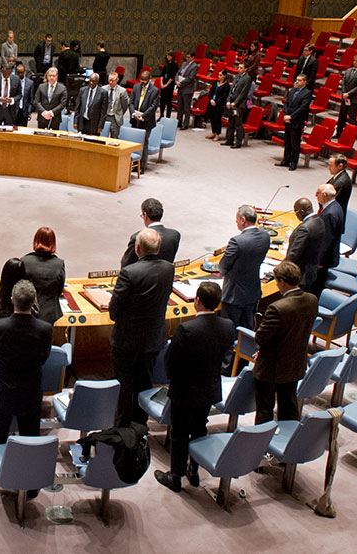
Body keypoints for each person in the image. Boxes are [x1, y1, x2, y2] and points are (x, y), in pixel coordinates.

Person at [153, 281, 232, 492]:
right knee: (199, 429)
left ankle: (175, 476)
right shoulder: (228, 326)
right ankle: (193, 469)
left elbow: (170, 361)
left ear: (197, 301)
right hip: (209, 388)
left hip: (184, 390)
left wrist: (174, 381)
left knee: (179, 433)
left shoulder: (187, 329)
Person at [0, 280, 52, 499]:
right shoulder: (45, 329)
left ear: (13, 300)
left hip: (3, 390)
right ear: (34, 302)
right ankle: (31, 487)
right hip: (30, 391)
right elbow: (44, 358)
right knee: (31, 438)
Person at [109, 227, 175, 426]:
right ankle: (139, 425)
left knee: (124, 383)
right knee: (145, 381)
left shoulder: (129, 273)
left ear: (137, 248)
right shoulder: (168, 269)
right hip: (153, 337)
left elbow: (114, 310)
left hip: (127, 339)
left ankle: (122, 426)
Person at [253, 261, 316, 424]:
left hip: (272, 368)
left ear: (282, 282)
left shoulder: (277, 308)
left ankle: (261, 447)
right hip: (295, 363)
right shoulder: (311, 299)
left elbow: (261, 337)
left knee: (264, 411)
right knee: (289, 407)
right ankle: (289, 445)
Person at [216, 205, 271, 332]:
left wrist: (222, 273)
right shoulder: (265, 237)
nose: (236, 222)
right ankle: (244, 352)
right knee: (247, 329)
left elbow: (224, 265)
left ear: (243, 220)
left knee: (229, 330)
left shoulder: (237, 241)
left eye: (237, 219)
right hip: (253, 291)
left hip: (234, 295)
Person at [20, 227, 65, 325]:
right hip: (49, 315)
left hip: (26, 312)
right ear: (53, 242)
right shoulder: (59, 264)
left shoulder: (25, 261)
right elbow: (59, 290)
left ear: (35, 240)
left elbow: (18, 288)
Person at [121, 197, 180, 266]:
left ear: (145, 215)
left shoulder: (137, 237)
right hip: (165, 274)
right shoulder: (175, 235)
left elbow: (126, 264)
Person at [284, 197, 325, 292]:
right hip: (311, 269)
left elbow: (294, 254)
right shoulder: (319, 221)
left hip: (301, 275)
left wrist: (279, 270)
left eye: (296, 212)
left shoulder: (305, 229)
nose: (296, 215)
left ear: (302, 212)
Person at [312, 184, 344, 297]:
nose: (315, 196)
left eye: (317, 193)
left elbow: (326, 241)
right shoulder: (336, 206)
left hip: (323, 262)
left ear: (324, 195)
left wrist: (318, 262)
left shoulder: (329, 214)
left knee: (314, 288)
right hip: (327, 257)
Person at [278, 74, 313, 170]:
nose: (297, 82)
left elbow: (303, 108)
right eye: (297, 80)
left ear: (305, 82)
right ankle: (286, 160)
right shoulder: (292, 91)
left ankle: (293, 162)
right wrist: (285, 114)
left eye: (300, 80)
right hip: (288, 119)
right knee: (287, 141)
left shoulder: (307, 93)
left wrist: (291, 116)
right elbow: (286, 103)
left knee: (295, 143)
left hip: (297, 120)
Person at [130, 70, 159, 169]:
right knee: (134, 142)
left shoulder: (154, 90)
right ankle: (134, 164)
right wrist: (134, 113)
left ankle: (142, 166)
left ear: (149, 79)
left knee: (144, 142)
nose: (142, 81)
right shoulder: (136, 87)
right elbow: (131, 102)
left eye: (144, 80)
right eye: (141, 79)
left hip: (146, 120)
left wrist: (143, 116)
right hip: (135, 119)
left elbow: (154, 106)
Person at [336, 55, 357, 138]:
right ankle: (338, 133)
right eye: (354, 60)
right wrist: (344, 93)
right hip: (345, 97)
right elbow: (343, 82)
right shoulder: (348, 70)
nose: (354, 62)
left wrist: (348, 94)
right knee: (342, 116)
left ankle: (350, 136)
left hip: (353, 98)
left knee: (352, 118)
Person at [225, 62, 253, 148]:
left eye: (241, 68)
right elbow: (232, 90)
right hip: (232, 102)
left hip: (239, 105)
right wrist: (229, 100)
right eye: (238, 67)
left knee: (238, 124)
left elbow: (243, 93)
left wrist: (235, 103)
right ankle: (229, 140)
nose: (239, 69)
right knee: (231, 122)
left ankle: (238, 142)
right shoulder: (236, 77)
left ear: (245, 69)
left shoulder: (247, 79)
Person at [205, 67, 230, 141]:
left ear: (224, 76)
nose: (219, 76)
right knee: (212, 118)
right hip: (212, 102)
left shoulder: (226, 85)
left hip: (219, 104)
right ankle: (213, 132)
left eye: (221, 75)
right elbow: (211, 92)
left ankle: (217, 134)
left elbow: (224, 96)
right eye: (218, 75)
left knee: (217, 119)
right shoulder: (215, 82)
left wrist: (216, 102)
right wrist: (211, 99)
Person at [174, 54, 199, 129]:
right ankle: (179, 122)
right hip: (180, 87)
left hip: (187, 88)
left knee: (186, 108)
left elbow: (191, 78)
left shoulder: (195, 66)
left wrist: (181, 83)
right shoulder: (184, 64)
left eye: (189, 57)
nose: (187, 59)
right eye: (186, 57)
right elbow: (178, 73)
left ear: (193, 57)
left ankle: (185, 124)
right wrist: (177, 81)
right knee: (179, 106)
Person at [103, 71, 130, 138]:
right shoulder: (103, 89)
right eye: (109, 80)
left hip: (115, 117)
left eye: (112, 80)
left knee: (114, 137)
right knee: (103, 136)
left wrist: (119, 113)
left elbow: (125, 106)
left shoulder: (122, 91)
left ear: (117, 80)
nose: (110, 82)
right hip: (105, 115)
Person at [158, 51, 179, 120]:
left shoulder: (174, 65)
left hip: (169, 84)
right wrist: (161, 83)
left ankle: (168, 116)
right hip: (164, 83)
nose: (168, 57)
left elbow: (172, 77)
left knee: (168, 101)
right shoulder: (166, 64)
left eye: (169, 56)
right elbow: (162, 74)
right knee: (162, 100)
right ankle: (161, 115)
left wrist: (166, 85)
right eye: (167, 56)